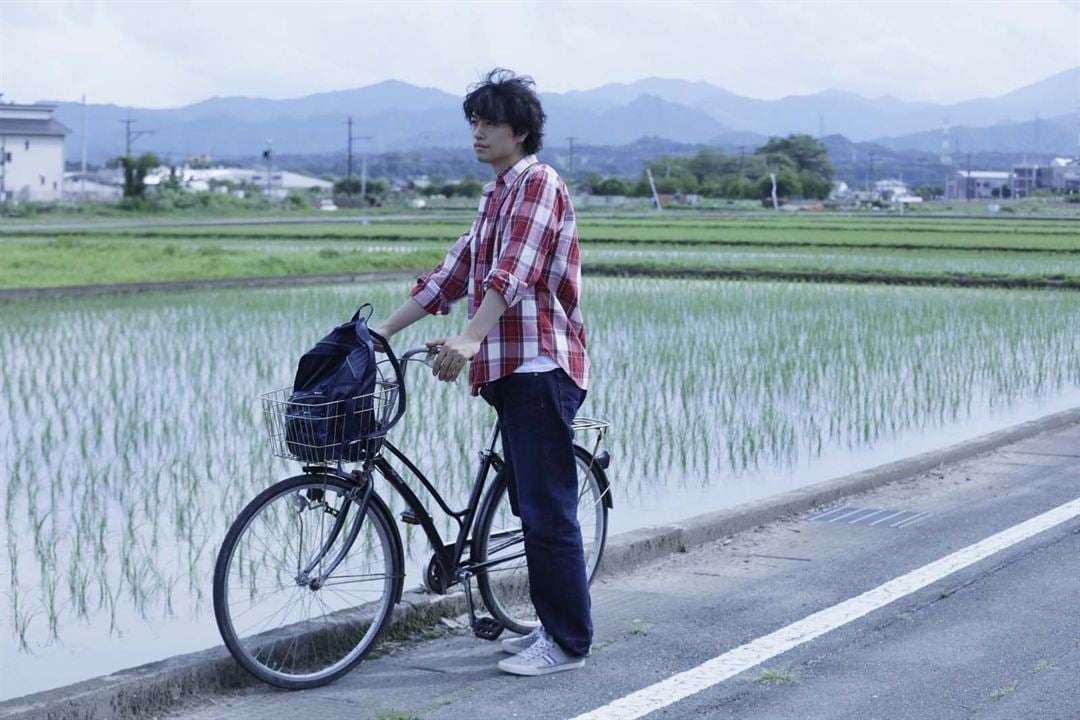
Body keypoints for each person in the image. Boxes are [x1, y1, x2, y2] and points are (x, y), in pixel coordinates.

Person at [373, 68, 592, 676]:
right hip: (507, 370)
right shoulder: (496, 193)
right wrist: (381, 332)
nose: (477, 132)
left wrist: (470, 338)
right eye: (472, 121)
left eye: (489, 122)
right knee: (530, 506)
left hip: (540, 365)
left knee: (547, 513)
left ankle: (569, 644)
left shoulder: (538, 184)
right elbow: (454, 273)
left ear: (519, 131)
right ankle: (549, 626)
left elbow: (514, 270)